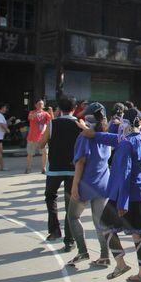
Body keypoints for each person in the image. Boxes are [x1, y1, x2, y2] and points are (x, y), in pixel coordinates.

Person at [77, 108, 141, 282]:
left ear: (126, 123)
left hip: (127, 195)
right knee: (138, 234)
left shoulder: (125, 143)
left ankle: (121, 263)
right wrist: (90, 132)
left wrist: (122, 203)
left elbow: (125, 173)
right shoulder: (139, 138)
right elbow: (108, 138)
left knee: (105, 226)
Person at [67, 103, 111, 267]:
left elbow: (80, 163)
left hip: (86, 183)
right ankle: (105, 255)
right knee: (99, 223)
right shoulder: (106, 135)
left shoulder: (84, 137)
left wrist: (74, 186)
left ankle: (82, 251)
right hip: (103, 183)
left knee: (73, 216)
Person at [38, 96, 81, 252]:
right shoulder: (79, 124)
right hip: (73, 169)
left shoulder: (52, 123)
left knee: (50, 197)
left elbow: (41, 144)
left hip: (54, 168)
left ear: (59, 109)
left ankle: (54, 230)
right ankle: (69, 241)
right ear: (74, 108)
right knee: (70, 205)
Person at [25, 99, 54, 174]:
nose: (41, 105)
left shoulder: (45, 113)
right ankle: (28, 168)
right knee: (30, 153)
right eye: (39, 104)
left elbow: (52, 121)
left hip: (42, 137)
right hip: (32, 137)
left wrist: (51, 112)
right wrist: (38, 112)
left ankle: (44, 168)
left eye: (42, 104)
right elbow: (30, 118)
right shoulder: (32, 112)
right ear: (35, 105)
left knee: (45, 153)